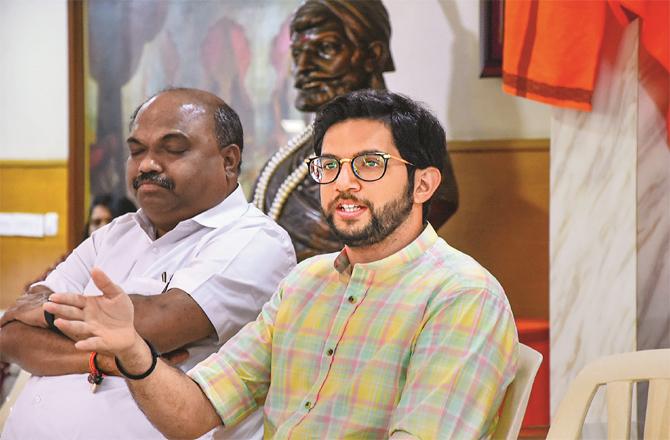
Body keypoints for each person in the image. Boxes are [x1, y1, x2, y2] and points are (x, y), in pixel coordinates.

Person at [47, 90, 517, 439]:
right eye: (329, 165)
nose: (343, 183)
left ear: (424, 184)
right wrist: (133, 350)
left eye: (369, 164)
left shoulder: (461, 297)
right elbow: (192, 413)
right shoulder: (306, 283)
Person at [0, 88, 296, 439]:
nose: (147, 164)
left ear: (229, 161)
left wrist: (46, 313)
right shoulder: (114, 234)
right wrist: (106, 360)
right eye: (136, 150)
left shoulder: (255, 240)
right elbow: (11, 335)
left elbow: (152, 325)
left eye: (173, 149)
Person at [252, 0, 459, 261]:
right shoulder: (299, 150)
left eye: (325, 49)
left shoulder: (410, 139)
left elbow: (444, 201)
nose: (303, 67)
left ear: (372, 55)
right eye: (297, 54)